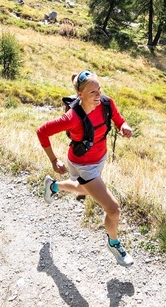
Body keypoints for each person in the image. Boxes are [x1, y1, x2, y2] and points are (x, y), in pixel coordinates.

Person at [36, 70, 135, 267]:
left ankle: (53, 186)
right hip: (83, 164)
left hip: (100, 158)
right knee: (113, 209)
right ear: (80, 95)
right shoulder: (72, 118)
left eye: (99, 89)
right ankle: (113, 243)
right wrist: (54, 160)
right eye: (92, 92)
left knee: (84, 190)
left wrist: (123, 125)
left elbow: (117, 118)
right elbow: (42, 131)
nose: (98, 95)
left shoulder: (106, 103)